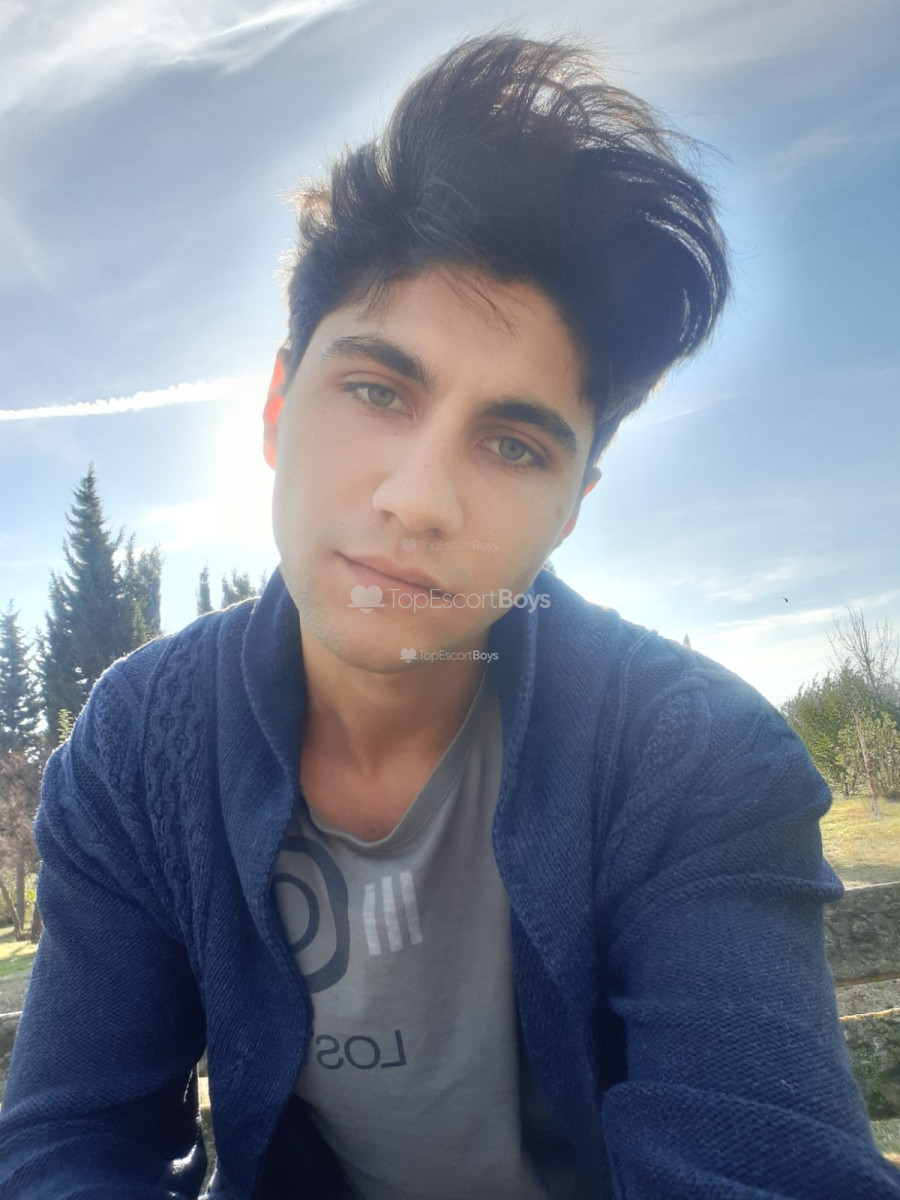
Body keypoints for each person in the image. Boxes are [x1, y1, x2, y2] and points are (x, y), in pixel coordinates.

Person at [0, 30, 896, 1200]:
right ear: (275, 406)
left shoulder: (694, 755)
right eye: (378, 389)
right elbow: (73, 1137)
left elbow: (762, 1159)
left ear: (571, 507)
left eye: (515, 445)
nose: (418, 499)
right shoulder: (141, 745)